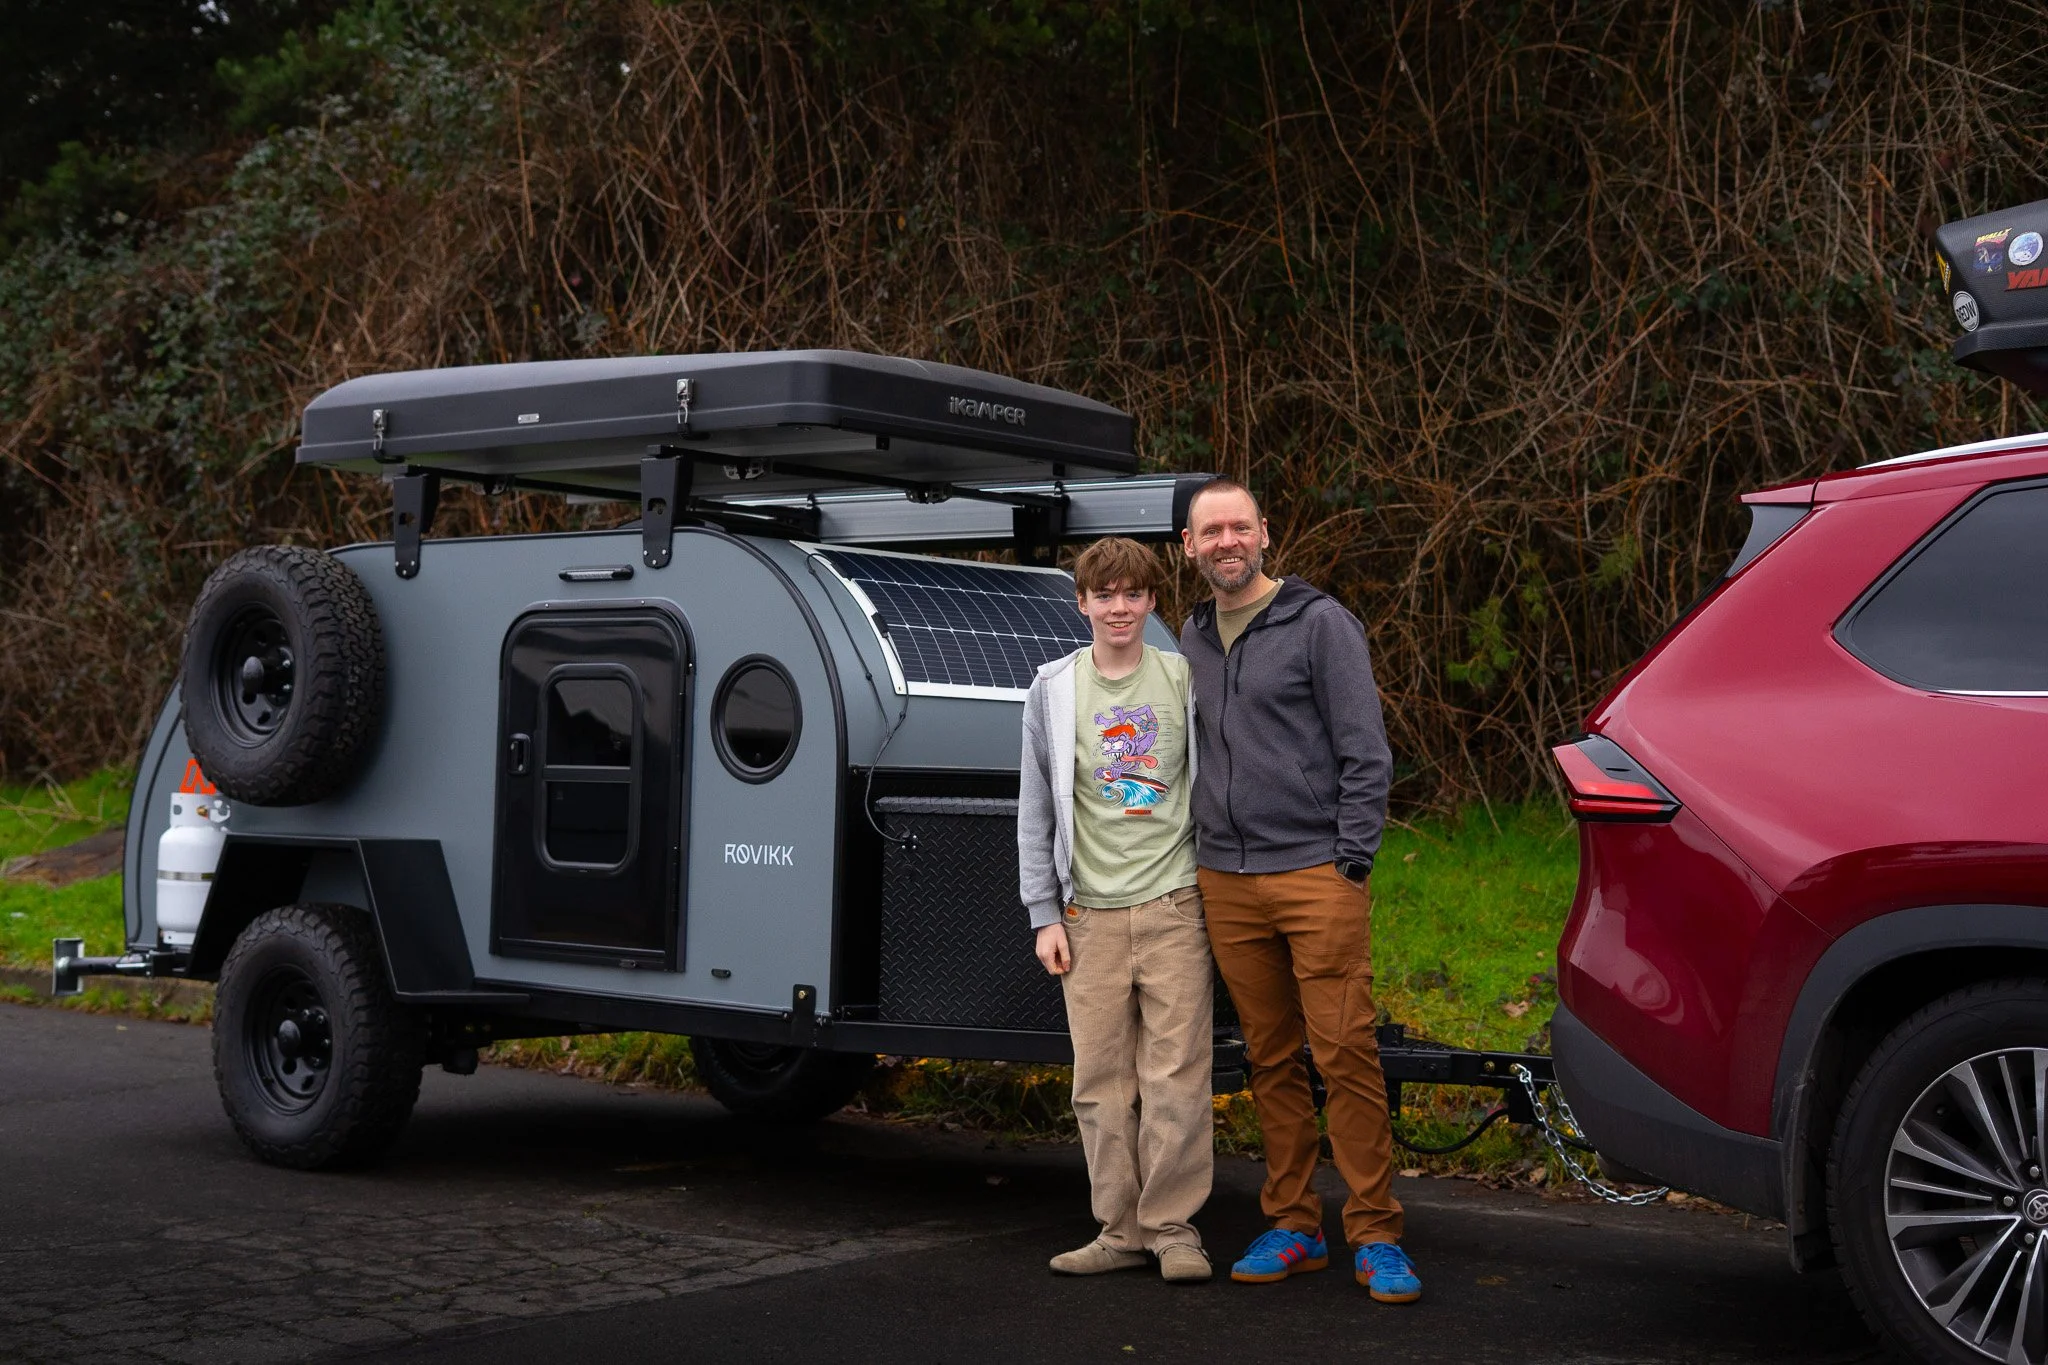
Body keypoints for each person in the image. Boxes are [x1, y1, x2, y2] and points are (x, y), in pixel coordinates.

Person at [1177, 477, 1422, 1304]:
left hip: (1318, 871)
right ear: (1189, 546)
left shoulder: (1319, 624)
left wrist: (1351, 859)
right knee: (1269, 1058)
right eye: (1210, 531)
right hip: (1227, 879)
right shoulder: (1193, 635)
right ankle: (1293, 1223)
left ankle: (1376, 1231)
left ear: (1265, 535)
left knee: (1345, 1051)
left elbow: (1366, 751)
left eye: (1238, 526)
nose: (1226, 542)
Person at [1018, 536, 1214, 1285]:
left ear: (1153, 601)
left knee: (1177, 1076)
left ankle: (1172, 1229)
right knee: (1100, 1081)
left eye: (1133, 593)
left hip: (1174, 907)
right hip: (1086, 916)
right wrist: (1044, 913)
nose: (1120, 607)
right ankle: (1118, 1227)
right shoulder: (1053, 688)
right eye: (1105, 595)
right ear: (1083, 604)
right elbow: (1035, 807)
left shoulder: (1183, 677)